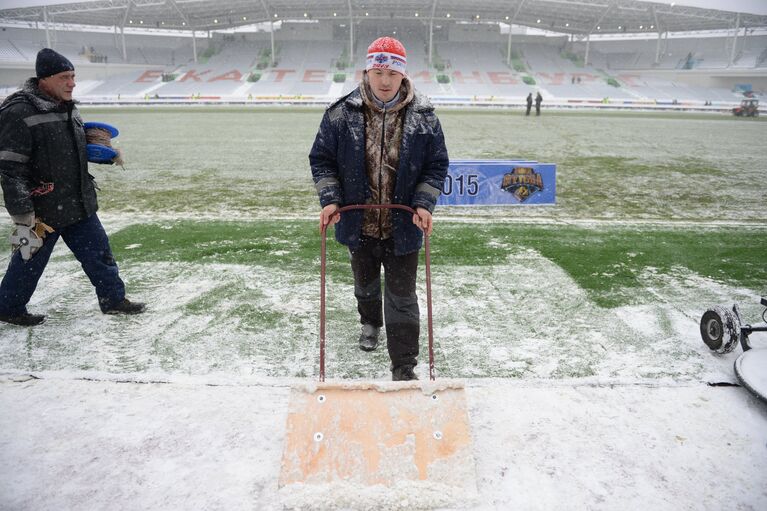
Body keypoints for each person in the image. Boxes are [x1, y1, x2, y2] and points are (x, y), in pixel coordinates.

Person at [309, 36, 448, 381]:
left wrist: (424, 204)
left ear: (404, 75)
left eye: (393, 73)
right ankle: (370, 322)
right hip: (359, 224)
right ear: (367, 71)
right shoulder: (341, 114)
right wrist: (330, 200)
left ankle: (404, 366)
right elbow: (322, 159)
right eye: (379, 71)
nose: (385, 81)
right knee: (366, 287)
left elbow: (436, 165)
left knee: (402, 297)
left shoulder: (425, 117)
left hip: (404, 224)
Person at [0, 48, 145, 326]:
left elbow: (70, 149)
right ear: (44, 79)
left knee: (100, 255)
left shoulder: (69, 108)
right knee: (26, 261)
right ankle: (8, 308)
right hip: (39, 210)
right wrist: (21, 212)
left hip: (78, 202)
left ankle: (113, 300)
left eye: (74, 76)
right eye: (65, 77)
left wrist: (102, 151)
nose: (72, 83)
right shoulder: (18, 112)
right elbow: (10, 167)